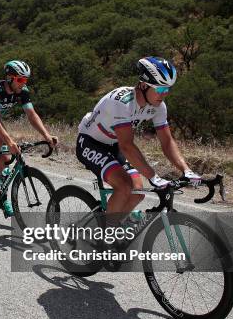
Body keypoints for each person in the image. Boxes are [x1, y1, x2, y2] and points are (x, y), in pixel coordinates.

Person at [76, 56, 201, 224]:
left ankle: (115, 222)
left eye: (167, 90)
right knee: (124, 186)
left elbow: (167, 142)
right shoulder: (122, 102)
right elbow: (127, 146)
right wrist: (154, 177)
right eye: (160, 89)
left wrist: (187, 171)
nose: (164, 95)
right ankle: (106, 234)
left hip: (113, 145)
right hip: (91, 142)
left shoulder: (158, 106)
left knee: (138, 191)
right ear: (143, 85)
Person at [0, 60, 58, 217]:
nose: (24, 83)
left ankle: (3, 198)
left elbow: (32, 115)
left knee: (6, 160)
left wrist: (47, 135)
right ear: (10, 78)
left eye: (26, 80)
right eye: (20, 79)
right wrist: (9, 141)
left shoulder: (23, 91)